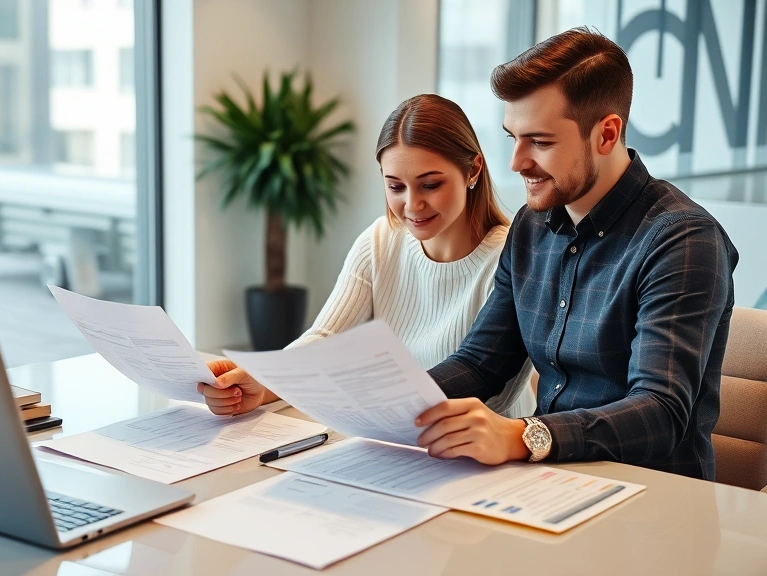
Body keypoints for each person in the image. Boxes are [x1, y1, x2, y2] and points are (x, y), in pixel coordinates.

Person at [413, 28, 739, 479]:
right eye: (513, 138)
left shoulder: (683, 240)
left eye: (540, 142)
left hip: (651, 497)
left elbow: (660, 411)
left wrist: (523, 436)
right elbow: (482, 362)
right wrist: (396, 403)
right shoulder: (531, 227)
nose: (517, 162)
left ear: (607, 134)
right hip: (550, 480)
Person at [198, 94, 536, 420]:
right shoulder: (381, 241)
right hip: (396, 433)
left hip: (478, 447)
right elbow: (325, 339)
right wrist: (262, 382)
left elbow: (496, 394)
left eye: (430, 185)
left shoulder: (511, 257)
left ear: (473, 170)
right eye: (396, 187)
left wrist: (381, 403)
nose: (412, 205)